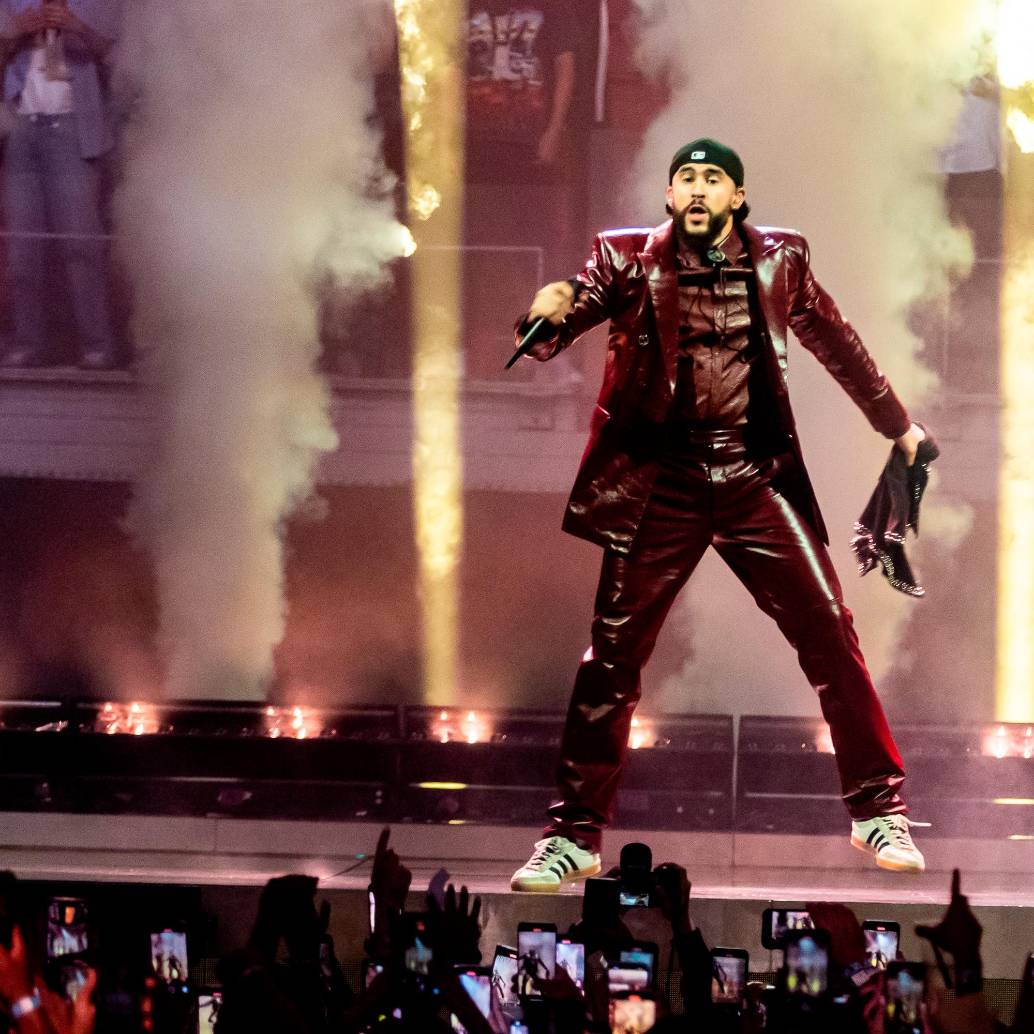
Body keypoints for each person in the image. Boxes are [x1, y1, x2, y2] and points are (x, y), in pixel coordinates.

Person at [509, 138, 928, 893]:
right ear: (669, 197)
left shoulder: (783, 259)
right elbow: (564, 319)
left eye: (712, 180)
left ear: (738, 196)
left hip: (751, 478)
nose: (697, 190)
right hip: (659, 487)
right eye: (685, 180)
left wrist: (898, 424)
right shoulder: (625, 257)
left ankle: (878, 810)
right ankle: (572, 837)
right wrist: (544, 319)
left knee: (830, 632)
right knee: (611, 658)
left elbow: (837, 341)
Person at [0, 0, 121, 369]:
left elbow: (122, 62)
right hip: (21, 128)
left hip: (73, 129)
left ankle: (97, 345)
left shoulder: (101, 5)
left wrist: (78, 28)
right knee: (23, 248)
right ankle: (27, 343)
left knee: (81, 246)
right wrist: (12, 33)